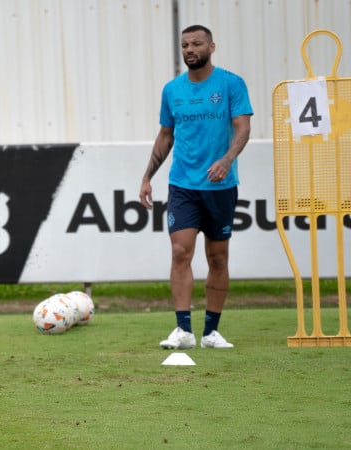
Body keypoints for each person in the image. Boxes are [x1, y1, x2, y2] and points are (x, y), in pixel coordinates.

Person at [139, 25, 252, 350]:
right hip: (183, 185)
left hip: (221, 186)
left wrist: (227, 159)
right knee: (179, 252)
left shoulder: (231, 84)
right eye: (185, 45)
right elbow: (165, 135)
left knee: (217, 258)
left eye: (197, 44)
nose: (190, 49)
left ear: (211, 46)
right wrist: (147, 176)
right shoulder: (172, 90)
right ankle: (183, 329)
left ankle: (211, 332)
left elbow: (243, 128)